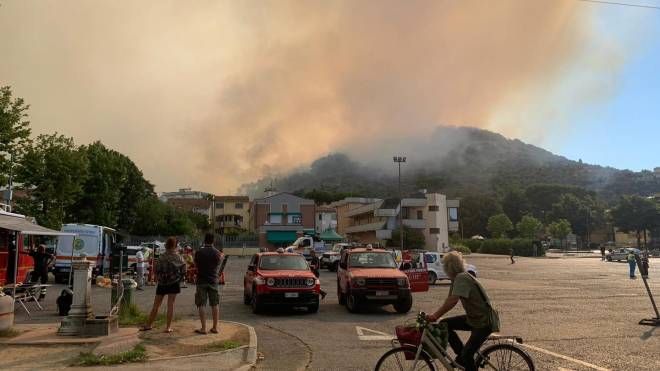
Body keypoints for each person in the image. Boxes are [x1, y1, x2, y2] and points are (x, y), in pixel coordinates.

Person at [425, 252, 498, 371]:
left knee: (468, 355)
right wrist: (435, 315)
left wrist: (435, 316)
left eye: (444, 266)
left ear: (449, 267)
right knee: (445, 324)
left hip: (484, 321)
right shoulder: (457, 278)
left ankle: (464, 357)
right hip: (474, 318)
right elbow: (449, 299)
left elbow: (453, 301)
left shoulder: (462, 278)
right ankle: (461, 357)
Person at [141, 237, 185, 333]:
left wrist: (160, 278)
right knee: (170, 305)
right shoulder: (178, 257)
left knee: (156, 305)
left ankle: (149, 324)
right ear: (175, 245)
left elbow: (156, 271)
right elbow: (183, 269)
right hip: (174, 283)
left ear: (166, 245)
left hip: (162, 283)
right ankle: (168, 327)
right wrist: (179, 278)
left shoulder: (161, 257)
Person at [194, 233, 222, 334]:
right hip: (213, 280)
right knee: (215, 304)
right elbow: (218, 264)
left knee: (201, 304)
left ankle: (203, 328)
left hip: (201, 280)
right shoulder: (217, 253)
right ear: (213, 240)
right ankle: (215, 327)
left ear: (204, 240)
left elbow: (195, 264)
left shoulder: (199, 252)